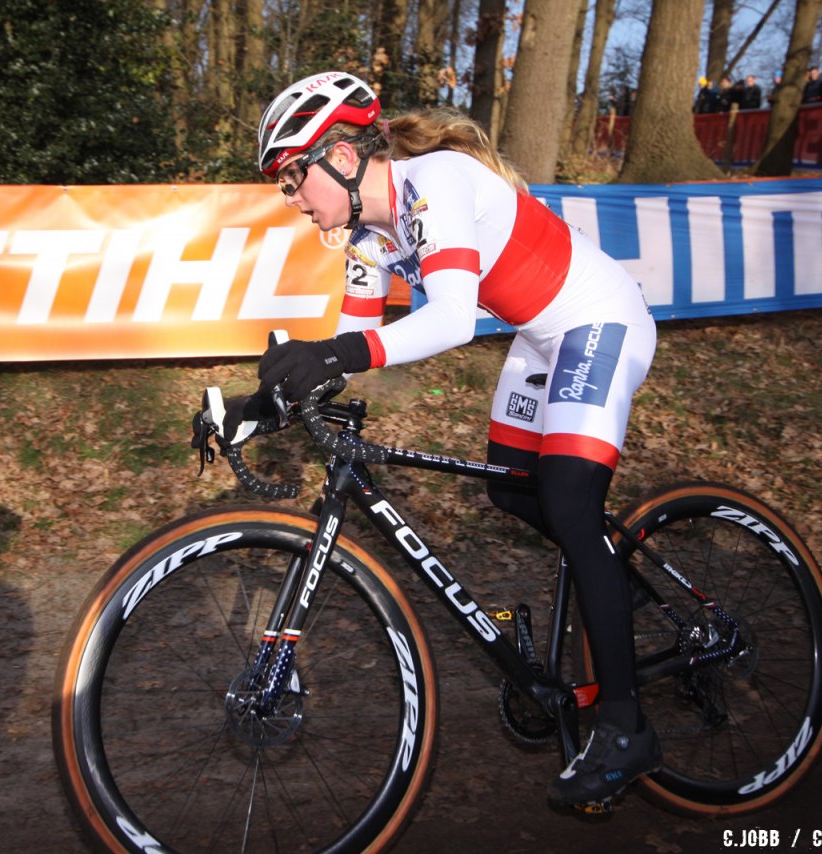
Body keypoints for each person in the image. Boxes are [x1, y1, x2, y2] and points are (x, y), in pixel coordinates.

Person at [247, 70, 661, 806]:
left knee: (567, 502)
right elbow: (352, 342)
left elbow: (451, 320)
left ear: (342, 158)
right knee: (510, 489)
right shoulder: (370, 237)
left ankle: (628, 729)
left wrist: (336, 355)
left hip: (600, 320)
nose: (294, 199)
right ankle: (615, 583)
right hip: (541, 341)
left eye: (293, 178)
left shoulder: (434, 181)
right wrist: (256, 406)